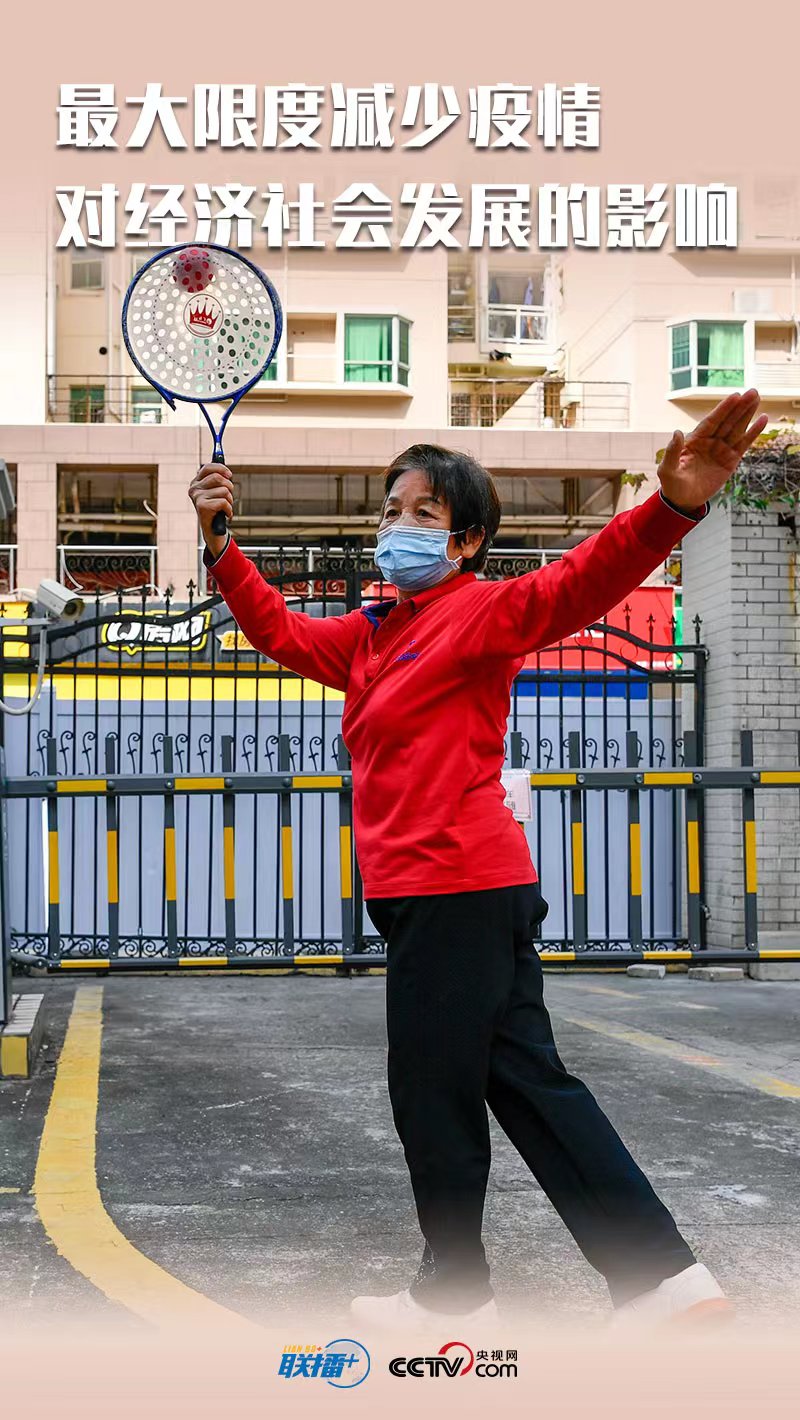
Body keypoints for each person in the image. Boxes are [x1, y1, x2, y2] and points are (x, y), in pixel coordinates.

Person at [188, 389, 767, 1330]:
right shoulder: (374, 635)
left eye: (425, 512)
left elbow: (580, 580)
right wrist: (221, 546)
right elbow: (279, 630)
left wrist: (672, 506)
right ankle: (664, 1283)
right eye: (391, 509)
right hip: (449, 894)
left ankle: (456, 1295)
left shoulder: (481, 613)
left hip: (457, 887)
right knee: (527, 1082)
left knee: (432, 1094)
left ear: (465, 542)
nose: (399, 526)